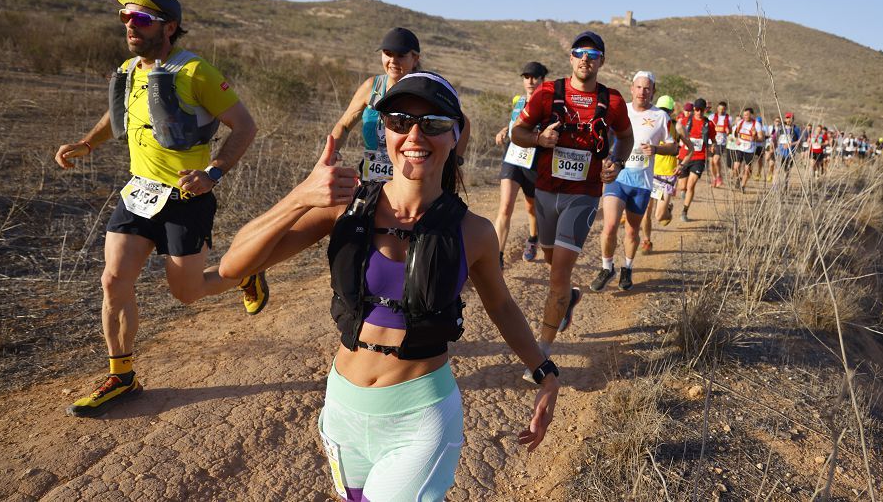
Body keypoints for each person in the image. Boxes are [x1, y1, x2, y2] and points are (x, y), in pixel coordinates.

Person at [219, 72, 559, 501]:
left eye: (433, 123)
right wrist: (301, 196)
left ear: (456, 135)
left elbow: (501, 304)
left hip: (420, 419)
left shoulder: (473, 232)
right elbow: (233, 266)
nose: (415, 134)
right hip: (342, 411)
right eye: (400, 121)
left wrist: (543, 371)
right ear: (385, 130)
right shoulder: (346, 207)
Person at [54, 0, 259, 417]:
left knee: (186, 293)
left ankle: (245, 275)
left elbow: (243, 125)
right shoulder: (129, 70)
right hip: (140, 193)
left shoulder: (195, 71)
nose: (131, 24)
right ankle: (122, 377)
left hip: (186, 197)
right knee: (114, 280)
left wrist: (214, 172)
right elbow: (120, 116)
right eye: (126, 17)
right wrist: (87, 144)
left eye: (142, 19)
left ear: (168, 27)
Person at [510, 31, 632, 364]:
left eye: (593, 55)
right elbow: (517, 134)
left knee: (558, 273)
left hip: (584, 195)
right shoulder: (548, 94)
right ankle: (569, 298)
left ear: (601, 62)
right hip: (546, 192)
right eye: (580, 53)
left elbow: (625, 137)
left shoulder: (614, 102)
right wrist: (539, 139)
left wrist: (617, 163)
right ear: (571, 58)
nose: (585, 59)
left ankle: (542, 352)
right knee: (554, 266)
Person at [329, 27, 470, 183]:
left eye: (401, 56)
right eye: (388, 54)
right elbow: (344, 125)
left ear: (415, 58)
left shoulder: (425, 90)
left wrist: (455, 163)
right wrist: (331, 152)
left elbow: (463, 122)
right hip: (372, 180)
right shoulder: (372, 87)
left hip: (414, 182)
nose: (393, 61)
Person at [592, 72, 679, 292]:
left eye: (647, 88)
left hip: (642, 182)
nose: (642, 92)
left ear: (653, 91)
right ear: (631, 89)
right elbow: (605, 137)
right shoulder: (620, 110)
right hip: (618, 178)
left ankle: (627, 268)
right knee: (610, 226)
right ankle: (606, 267)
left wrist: (657, 149)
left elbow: (674, 146)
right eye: (639, 88)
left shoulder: (661, 117)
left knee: (632, 231)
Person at [493, 61, 548, 268]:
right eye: (526, 77)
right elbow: (515, 123)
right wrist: (503, 131)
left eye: (534, 77)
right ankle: (497, 257)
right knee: (505, 207)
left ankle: (533, 238)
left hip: (534, 160)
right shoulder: (518, 101)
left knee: (531, 207)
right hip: (512, 157)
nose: (530, 81)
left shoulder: (548, 105)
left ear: (543, 79)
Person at [642, 95, 678, 252]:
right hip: (650, 172)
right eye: (661, 110)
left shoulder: (677, 127)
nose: (663, 113)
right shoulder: (651, 125)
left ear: (671, 111)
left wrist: (682, 163)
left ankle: (667, 211)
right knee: (645, 211)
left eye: (666, 111)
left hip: (667, 175)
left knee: (659, 216)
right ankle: (647, 241)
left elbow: (689, 148)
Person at [674, 98, 715, 221]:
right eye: (697, 109)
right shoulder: (684, 122)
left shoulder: (709, 124)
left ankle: (684, 212)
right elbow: (675, 137)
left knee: (691, 185)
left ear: (705, 110)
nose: (699, 112)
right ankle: (683, 191)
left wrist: (713, 146)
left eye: (701, 110)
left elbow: (713, 139)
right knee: (682, 186)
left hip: (699, 158)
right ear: (694, 109)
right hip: (684, 157)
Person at [731, 107, 765, 191]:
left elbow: (761, 138)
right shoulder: (740, 122)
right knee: (736, 167)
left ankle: (743, 186)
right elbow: (735, 134)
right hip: (740, 147)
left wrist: (754, 137)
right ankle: (738, 178)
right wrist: (736, 140)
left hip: (750, 149)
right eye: (744, 115)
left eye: (747, 115)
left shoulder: (756, 124)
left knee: (747, 169)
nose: (745, 116)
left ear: (751, 115)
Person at [772, 112, 802, 188]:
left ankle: (785, 186)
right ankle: (775, 187)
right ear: (785, 119)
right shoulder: (780, 128)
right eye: (787, 118)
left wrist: (789, 144)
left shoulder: (796, 129)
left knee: (787, 171)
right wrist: (774, 147)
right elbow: (775, 138)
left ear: (793, 119)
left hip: (790, 154)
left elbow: (799, 141)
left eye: (790, 118)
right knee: (777, 170)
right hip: (780, 152)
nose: (788, 120)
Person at [708, 101, 733, 188]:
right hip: (711, 141)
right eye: (720, 108)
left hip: (721, 142)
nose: (721, 110)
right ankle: (714, 178)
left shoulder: (728, 118)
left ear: (725, 109)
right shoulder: (712, 116)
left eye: (723, 109)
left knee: (716, 160)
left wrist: (728, 131)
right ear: (717, 108)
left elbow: (730, 131)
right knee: (711, 162)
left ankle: (719, 176)